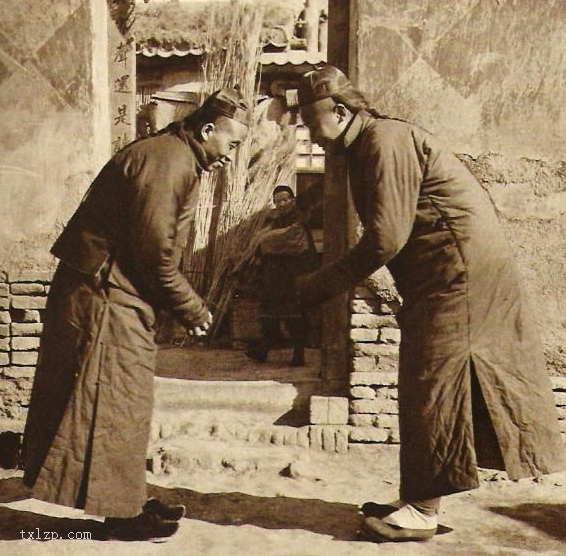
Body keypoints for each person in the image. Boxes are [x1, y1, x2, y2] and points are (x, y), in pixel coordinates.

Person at [294, 66, 566, 543]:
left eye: (311, 121)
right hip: (445, 275)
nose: (311, 134)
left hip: (459, 275)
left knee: (431, 382)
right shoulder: (368, 144)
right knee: (429, 381)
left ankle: (421, 509)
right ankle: (417, 498)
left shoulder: (383, 141)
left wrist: (322, 285)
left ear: (338, 111)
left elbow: (386, 238)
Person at [21, 88, 250, 541]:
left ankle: (124, 500)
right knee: (116, 399)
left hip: (115, 289)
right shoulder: (168, 162)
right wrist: (191, 307)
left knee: (120, 401)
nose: (232, 154)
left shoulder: (174, 154)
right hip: (104, 293)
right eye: (232, 143)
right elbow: (154, 254)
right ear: (208, 130)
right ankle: (122, 516)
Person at [240, 185, 318, 366]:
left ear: (293, 200)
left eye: (285, 200)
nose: (282, 204)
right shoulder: (275, 221)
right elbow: (267, 240)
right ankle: (263, 349)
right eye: (277, 201)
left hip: (294, 274)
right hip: (275, 275)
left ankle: (298, 355)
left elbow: (291, 240)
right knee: (269, 313)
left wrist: (266, 239)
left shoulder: (299, 219)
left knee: (294, 315)